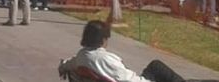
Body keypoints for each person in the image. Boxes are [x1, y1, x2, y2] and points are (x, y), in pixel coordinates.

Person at [59, 20, 193, 82]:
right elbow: (125, 78)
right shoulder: (107, 59)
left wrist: (63, 66)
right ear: (103, 39)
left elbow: (68, 64)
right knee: (157, 67)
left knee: (154, 66)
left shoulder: (81, 56)